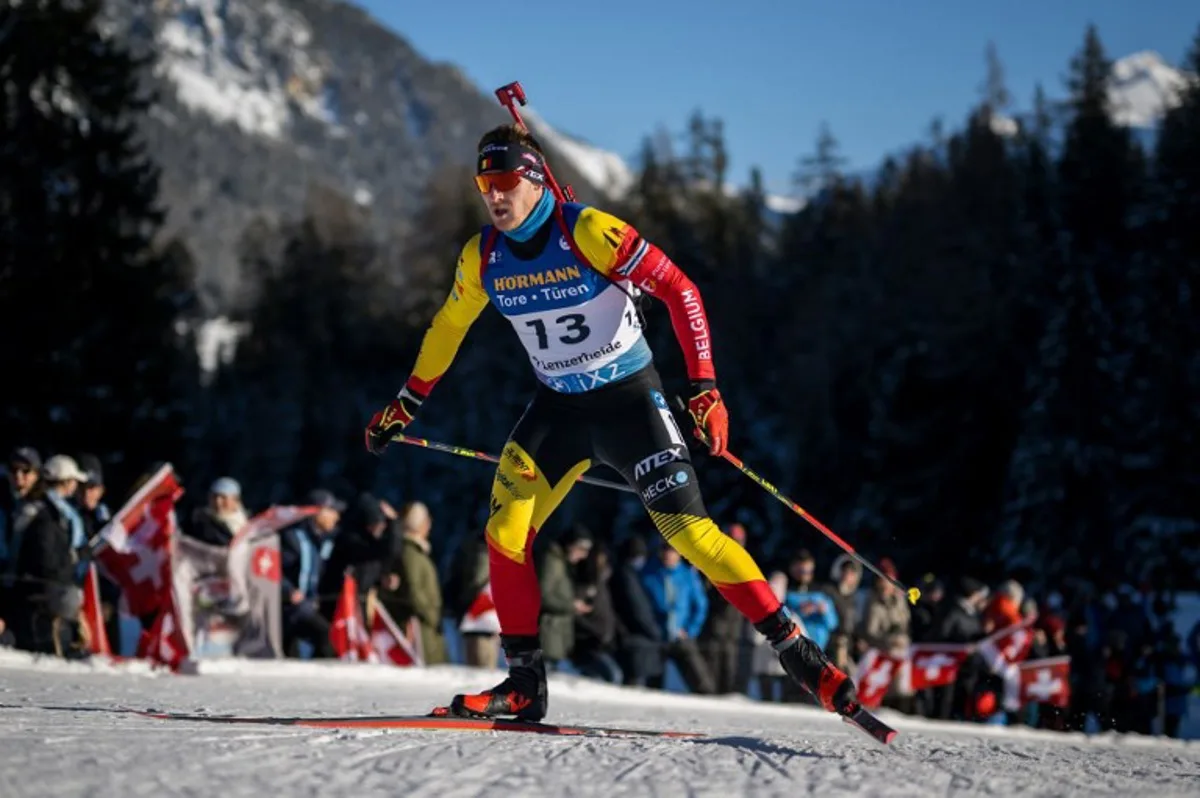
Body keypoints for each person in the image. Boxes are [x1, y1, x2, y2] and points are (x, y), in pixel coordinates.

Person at [364, 124, 859, 722]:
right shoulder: (483, 256)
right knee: (504, 533)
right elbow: (448, 327)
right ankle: (525, 683)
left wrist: (703, 388)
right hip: (558, 410)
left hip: (629, 402)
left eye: (503, 181)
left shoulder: (588, 230)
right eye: (483, 183)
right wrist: (408, 400)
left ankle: (797, 653)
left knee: (689, 535)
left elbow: (681, 291)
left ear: (534, 179)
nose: (493, 196)